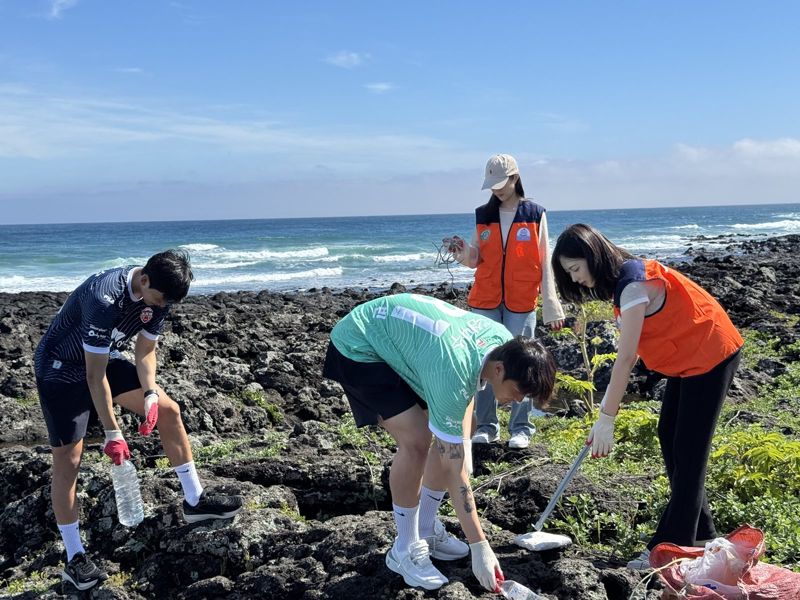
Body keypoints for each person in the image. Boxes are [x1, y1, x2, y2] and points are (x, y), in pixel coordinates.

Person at [34, 249, 243, 591]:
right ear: (143, 279)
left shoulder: (160, 294)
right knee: (69, 460)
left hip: (101, 361)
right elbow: (93, 375)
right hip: (61, 369)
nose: (162, 307)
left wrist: (149, 392)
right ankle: (75, 559)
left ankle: (195, 500)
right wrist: (113, 433)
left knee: (168, 410)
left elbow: (145, 351)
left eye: (167, 303)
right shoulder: (104, 297)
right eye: (160, 300)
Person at [322, 293, 556, 592]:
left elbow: (467, 391)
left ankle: (426, 527)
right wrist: (479, 546)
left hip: (411, 346)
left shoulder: (501, 341)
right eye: (519, 391)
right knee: (417, 441)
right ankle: (404, 549)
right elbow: (454, 468)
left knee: (463, 427)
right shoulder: (452, 371)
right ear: (499, 370)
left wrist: (465, 440)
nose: (519, 400)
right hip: (361, 344)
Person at [551, 224, 743, 570]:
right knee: (669, 435)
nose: (575, 278)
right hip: (690, 360)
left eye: (575, 268)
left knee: (689, 451)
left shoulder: (633, 284)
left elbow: (625, 358)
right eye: (568, 273)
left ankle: (671, 548)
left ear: (593, 256)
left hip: (712, 353)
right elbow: (636, 349)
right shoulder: (624, 281)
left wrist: (606, 417)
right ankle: (702, 532)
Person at [446, 153, 564, 450]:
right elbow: (476, 259)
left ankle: (521, 428)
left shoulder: (535, 214)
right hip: (485, 298)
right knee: (485, 362)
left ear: (515, 178)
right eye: (492, 185)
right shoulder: (483, 214)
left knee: (522, 364)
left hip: (522, 300)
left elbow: (544, 260)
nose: (496, 190)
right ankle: (486, 426)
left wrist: (551, 304)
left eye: (501, 183)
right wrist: (460, 252)